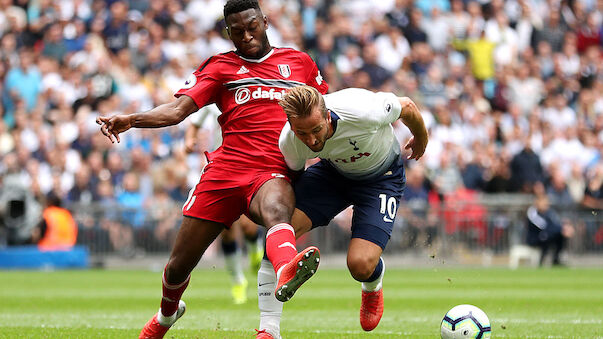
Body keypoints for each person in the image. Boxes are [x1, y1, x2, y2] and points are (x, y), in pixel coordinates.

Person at [96, 1, 328, 338]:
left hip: (272, 169)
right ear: (228, 32)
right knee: (178, 266)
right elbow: (177, 111)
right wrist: (132, 119)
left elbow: (326, 111)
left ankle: (286, 270)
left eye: (252, 26)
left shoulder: (299, 63)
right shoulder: (220, 67)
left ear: (265, 21)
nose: (247, 36)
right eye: (238, 31)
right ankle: (166, 315)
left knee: (278, 210)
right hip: (225, 171)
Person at [254, 85, 428, 338]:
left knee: (359, 265)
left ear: (327, 116)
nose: (311, 140)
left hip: (381, 179)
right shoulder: (289, 141)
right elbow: (293, 179)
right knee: (279, 230)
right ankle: (269, 330)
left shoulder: (363, 110)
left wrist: (421, 136)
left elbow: (408, 106)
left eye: (316, 130)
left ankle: (373, 282)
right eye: (302, 133)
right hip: (332, 175)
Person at [184, 105, 264, 304]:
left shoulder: (251, 92)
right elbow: (194, 123)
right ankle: (238, 281)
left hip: (249, 164)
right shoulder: (214, 98)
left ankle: (256, 250)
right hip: (223, 167)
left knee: (248, 225)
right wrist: (189, 140)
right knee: (227, 230)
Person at [526, 194, 574, 266]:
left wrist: (565, 228)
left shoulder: (549, 212)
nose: (546, 204)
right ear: (537, 202)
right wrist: (562, 229)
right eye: (544, 202)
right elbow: (543, 226)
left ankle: (556, 259)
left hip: (546, 235)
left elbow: (556, 223)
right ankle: (541, 261)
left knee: (560, 236)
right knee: (549, 235)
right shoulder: (532, 212)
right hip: (535, 238)